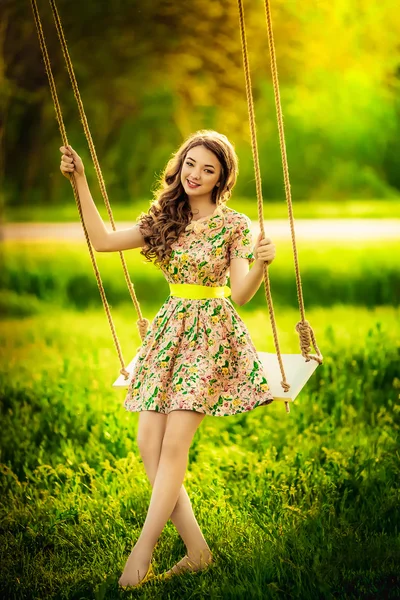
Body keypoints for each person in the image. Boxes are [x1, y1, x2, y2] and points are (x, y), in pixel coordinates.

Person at [59, 129, 276, 588]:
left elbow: (240, 293)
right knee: (147, 444)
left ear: (222, 179)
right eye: (191, 163)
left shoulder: (234, 225)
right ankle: (198, 551)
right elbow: (101, 240)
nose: (196, 174)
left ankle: (144, 549)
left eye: (208, 169)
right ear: (179, 165)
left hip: (211, 332)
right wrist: (80, 180)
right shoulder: (166, 218)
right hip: (169, 329)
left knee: (175, 443)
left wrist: (260, 263)